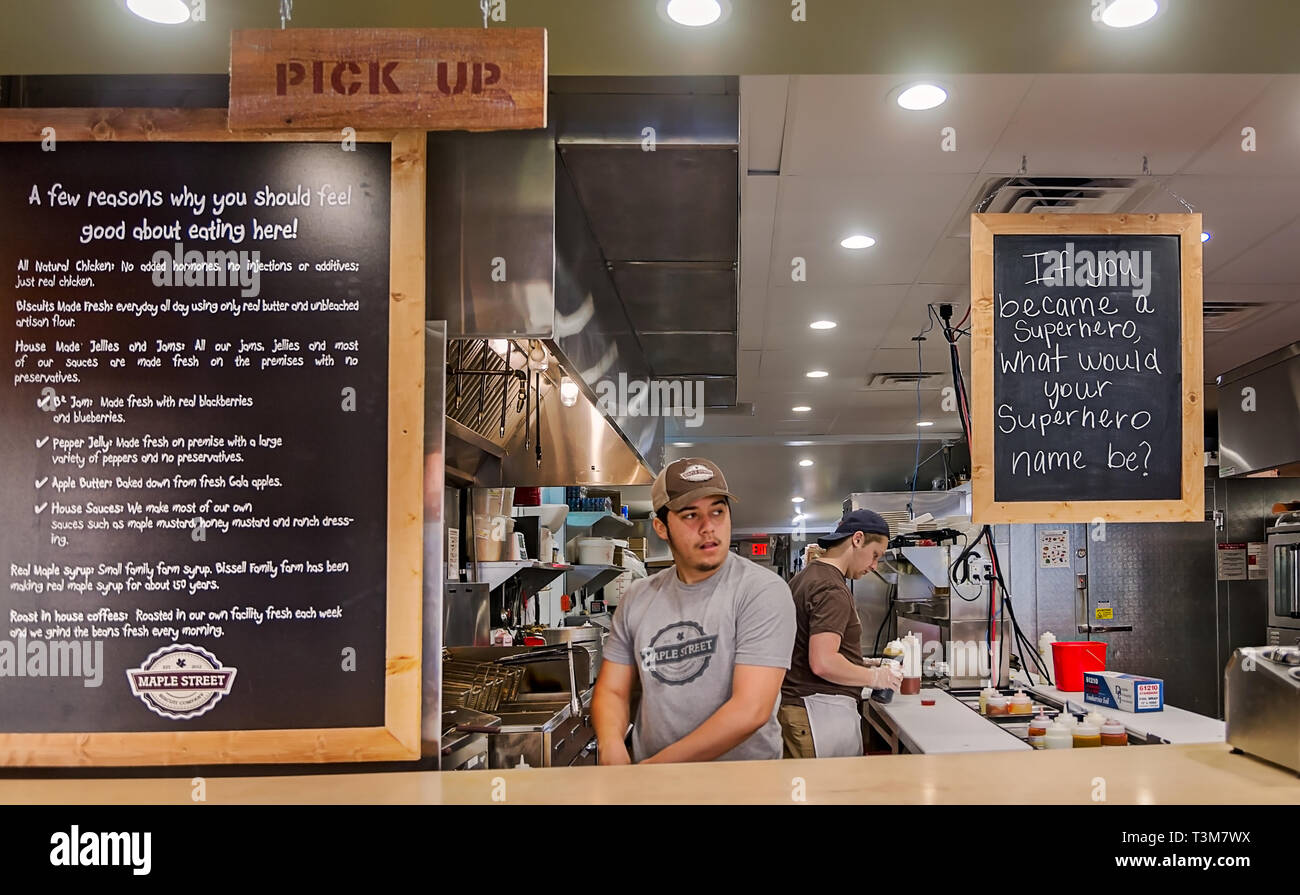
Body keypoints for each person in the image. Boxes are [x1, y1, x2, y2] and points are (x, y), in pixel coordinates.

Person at [592, 457, 796, 764]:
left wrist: (651, 770)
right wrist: (611, 746)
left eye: (717, 511)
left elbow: (750, 710)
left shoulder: (761, 590)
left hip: (745, 788)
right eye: (690, 515)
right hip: (657, 789)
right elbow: (613, 691)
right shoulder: (638, 597)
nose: (708, 527)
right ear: (661, 527)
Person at [779, 509, 902, 758]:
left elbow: (806, 645)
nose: (874, 566)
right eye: (875, 555)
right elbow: (823, 662)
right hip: (818, 713)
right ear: (857, 539)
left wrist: (862, 662)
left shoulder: (808, 576)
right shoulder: (830, 588)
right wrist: (876, 677)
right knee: (826, 794)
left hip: (801, 708)